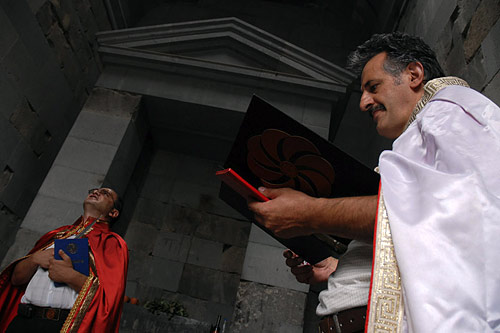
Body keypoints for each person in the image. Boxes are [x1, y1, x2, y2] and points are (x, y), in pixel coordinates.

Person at [249, 31, 500, 332]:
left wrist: (309, 214)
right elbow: (428, 239)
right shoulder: (422, 132)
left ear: (414, 74)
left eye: (373, 87)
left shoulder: (453, 111)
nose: (363, 103)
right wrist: (335, 268)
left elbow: (455, 212)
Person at [0, 187, 129, 332]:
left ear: (113, 212)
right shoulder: (56, 234)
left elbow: (109, 301)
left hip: (59, 326)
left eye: (105, 193)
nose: (97, 192)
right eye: (95, 189)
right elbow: (16, 280)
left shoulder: (112, 244)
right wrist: (34, 260)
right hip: (22, 322)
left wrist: (70, 276)